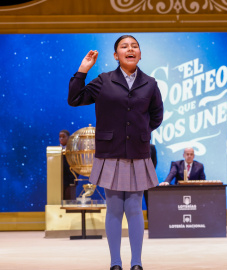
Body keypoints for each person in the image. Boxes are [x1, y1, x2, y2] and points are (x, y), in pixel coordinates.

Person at [68, 35, 163, 270]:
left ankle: (137, 263)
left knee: (134, 208)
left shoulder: (150, 83)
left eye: (134, 46)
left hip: (138, 153)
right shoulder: (103, 80)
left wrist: (139, 132)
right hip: (109, 152)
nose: (130, 49)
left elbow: (157, 116)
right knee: (114, 208)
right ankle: (115, 263)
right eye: (124, 46)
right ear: (116, 55)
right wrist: (83, 70)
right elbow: (74, 99)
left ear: (140, 54)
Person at [59, 129, 77, 200]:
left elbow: (76, 165)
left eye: (63, 137)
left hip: (70, 181)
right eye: (60, 137)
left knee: (69, 203)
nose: (61, 138)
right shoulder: (55, 150)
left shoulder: (73, 150)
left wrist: (74, 179)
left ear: (68, 138)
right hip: (58, 181)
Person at [143, 143, 157, 218]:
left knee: (150, 202)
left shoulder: (151, 147)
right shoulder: (132, 145)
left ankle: (151, 223)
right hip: (134, 179)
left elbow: (154, 162)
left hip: (147, 178)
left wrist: (148, 174)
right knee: (133, 202)